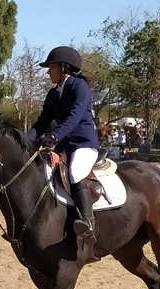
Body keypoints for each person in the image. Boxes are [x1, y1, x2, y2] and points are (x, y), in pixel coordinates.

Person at [26, 46, 99, 245]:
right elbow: (42, 122)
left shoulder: (79, 87)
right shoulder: (52, 94)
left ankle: (86, 221)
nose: (48, 71)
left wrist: (54, 136)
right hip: (63, 144)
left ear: (64, 68)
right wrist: (26, 141)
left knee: (75, 172)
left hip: (83, 143)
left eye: (51, 67)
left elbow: (74, 118)